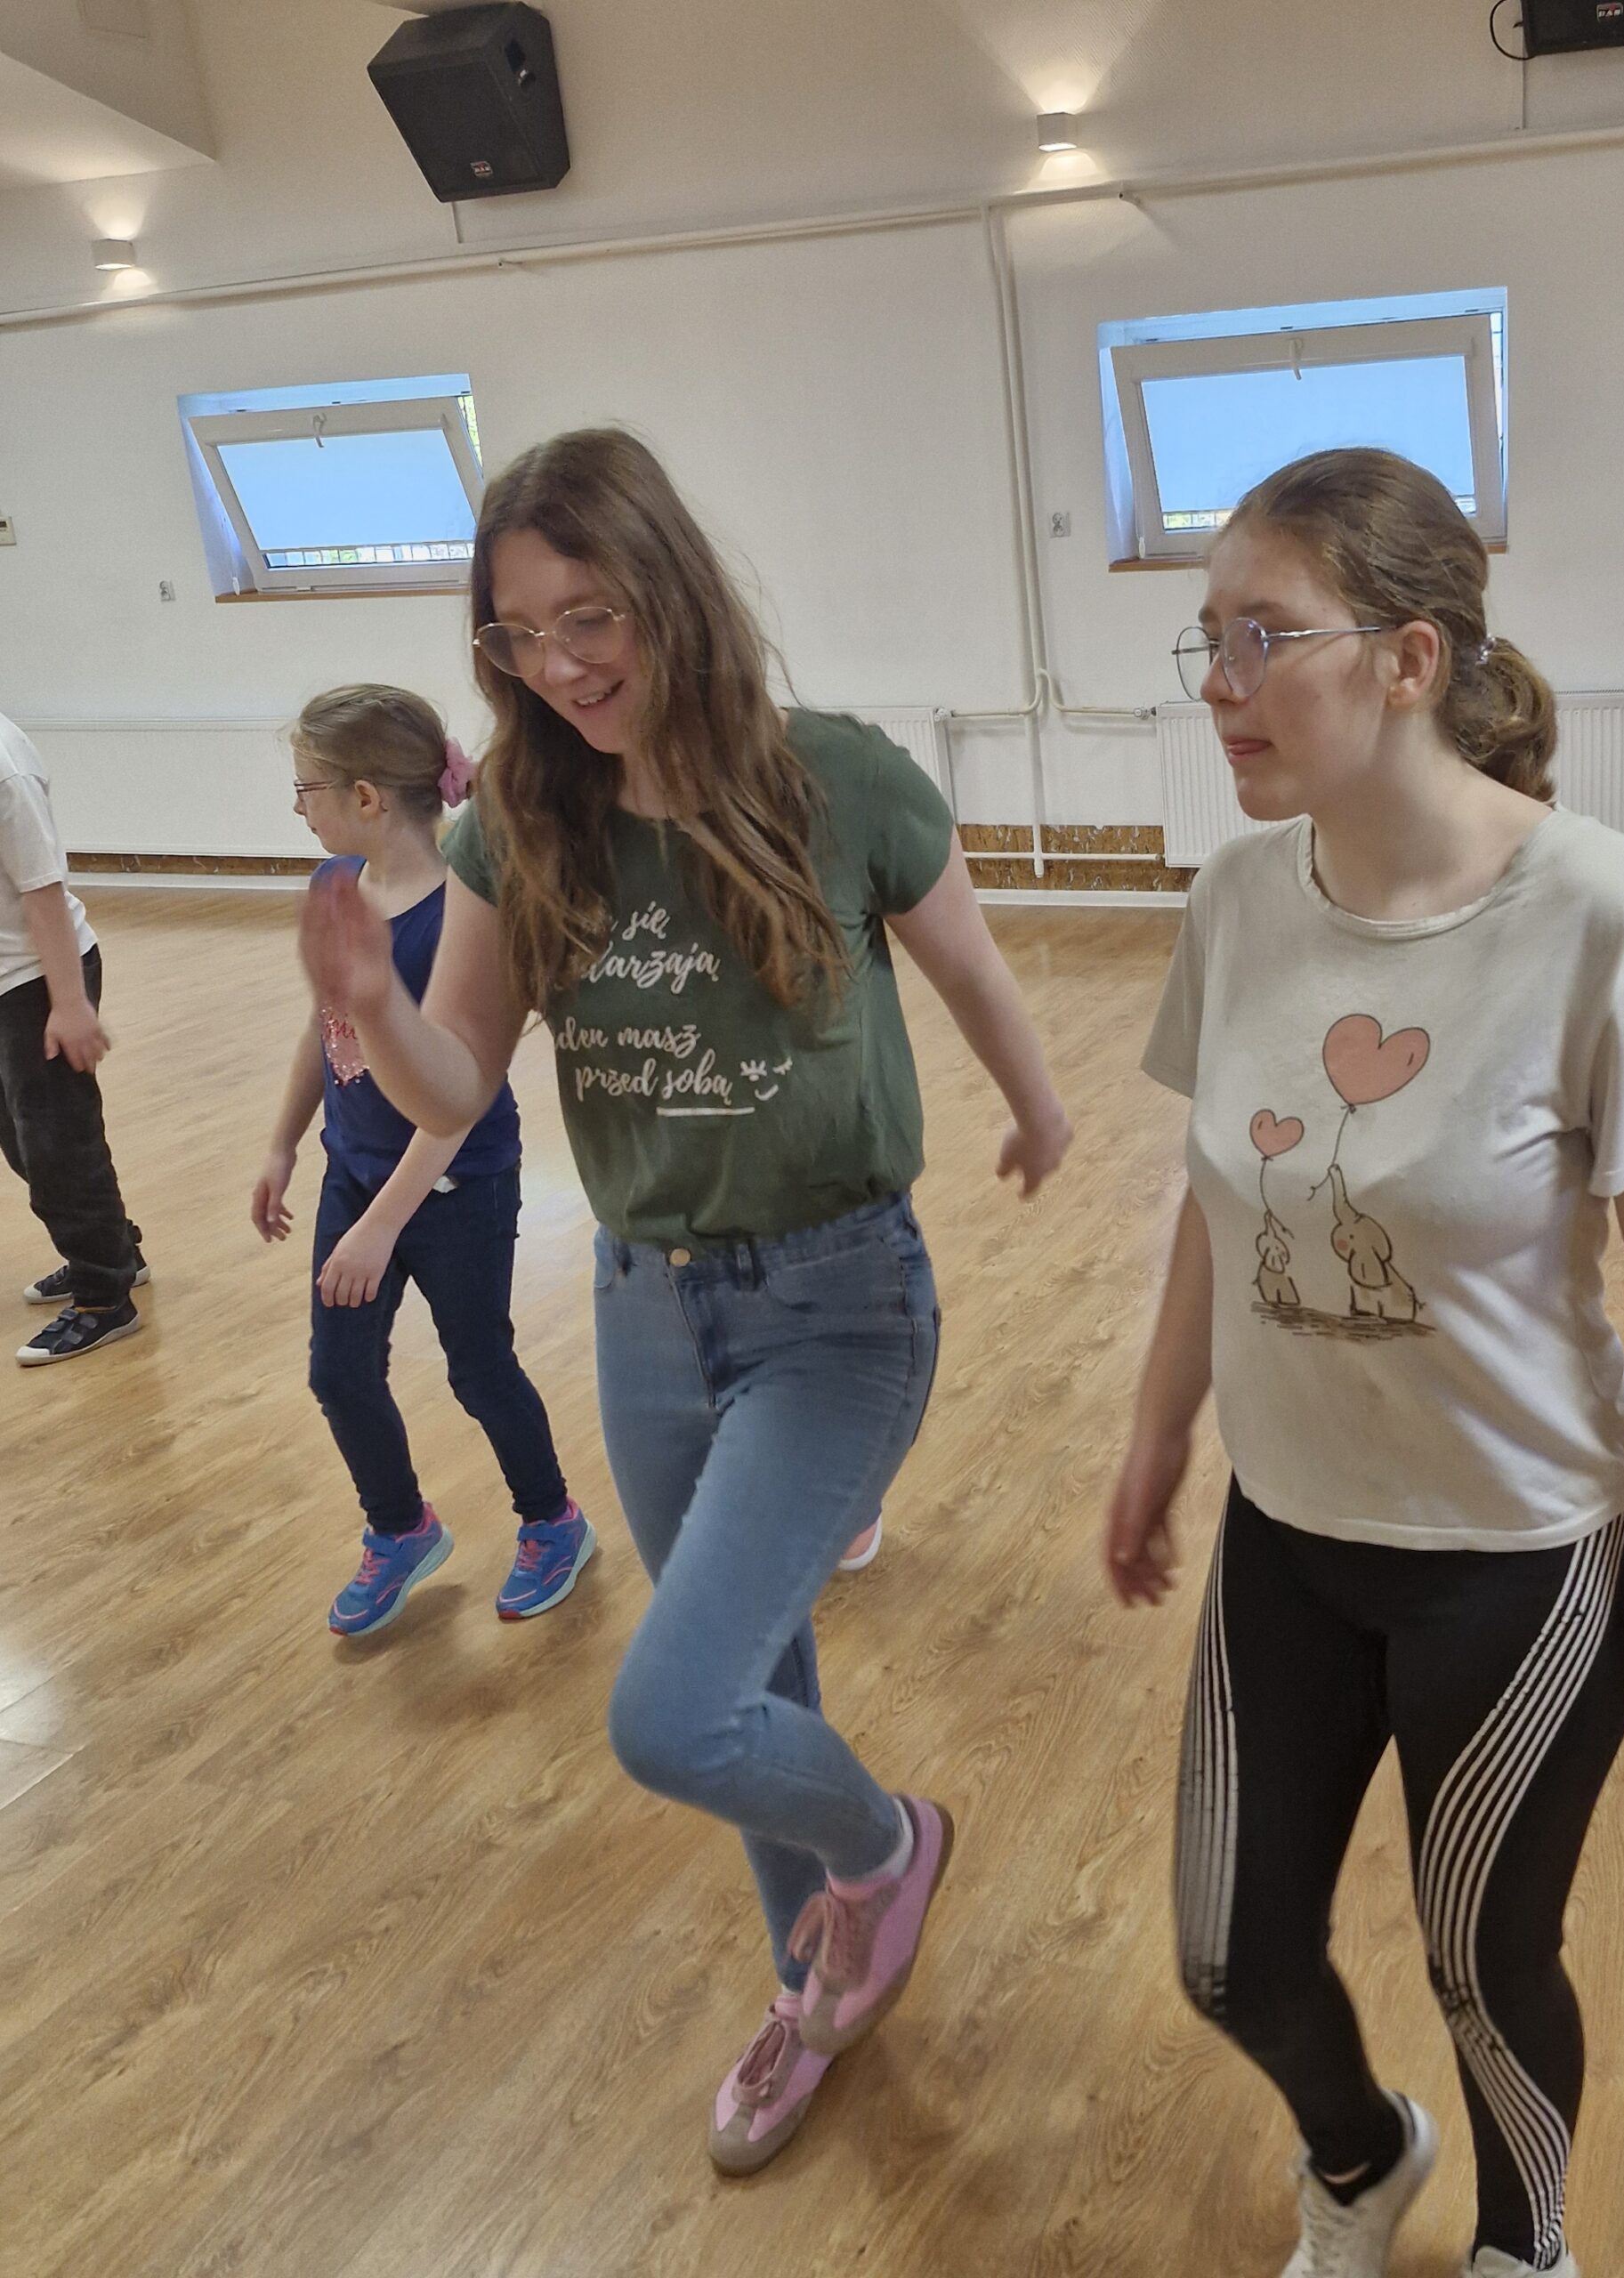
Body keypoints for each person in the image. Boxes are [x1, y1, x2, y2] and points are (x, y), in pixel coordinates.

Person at [296, 428, 1071, 2174]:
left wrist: (1039, 1106)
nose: (562, 665)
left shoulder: (838, 779)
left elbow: (966, 963)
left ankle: (886, 1851)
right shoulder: (517, 827)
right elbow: (456, 1080)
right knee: (753, 1680)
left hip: (837, 1309)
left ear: (670, 587)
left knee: (671, 1711)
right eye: (519, 635)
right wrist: (377, 1010)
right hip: (644, 1312)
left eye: (590, 616)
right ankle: (817, 1988)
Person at [1106, 448, 1624, 2278]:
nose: (1221, 684)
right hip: (1289, 1529)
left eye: (1264, 636)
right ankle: (1361, 2154)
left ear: (1409, 659)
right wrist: (1156, 1429)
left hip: (1517, 1550)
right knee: (1229, 1953)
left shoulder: (1605, 917)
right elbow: (1220, 1195)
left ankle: (1522, 2244)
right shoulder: (1237, 897)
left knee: (1482, 1957)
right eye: (1206, 640)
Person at [255, 685, 591, 1638]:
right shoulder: (335, 889)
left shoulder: (459, 916)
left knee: (478, 1368)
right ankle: (400, 1527)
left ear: (366, 797)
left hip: (456, 1186)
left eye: (306, 788)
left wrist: (380, 1225)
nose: (297, 807)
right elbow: (325, 1023)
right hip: (355, 1173)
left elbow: (462, 1095)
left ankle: (553, 1521)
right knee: (338, 1373)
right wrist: (283, 1141)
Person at [0, 707, 147, 1367]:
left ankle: (103, 1299)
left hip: (38, 978)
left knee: (57, 1141)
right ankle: (115, 1249)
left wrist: (68, 1003)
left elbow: (43, 889)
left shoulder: (5, 769)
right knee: (21, 1138)